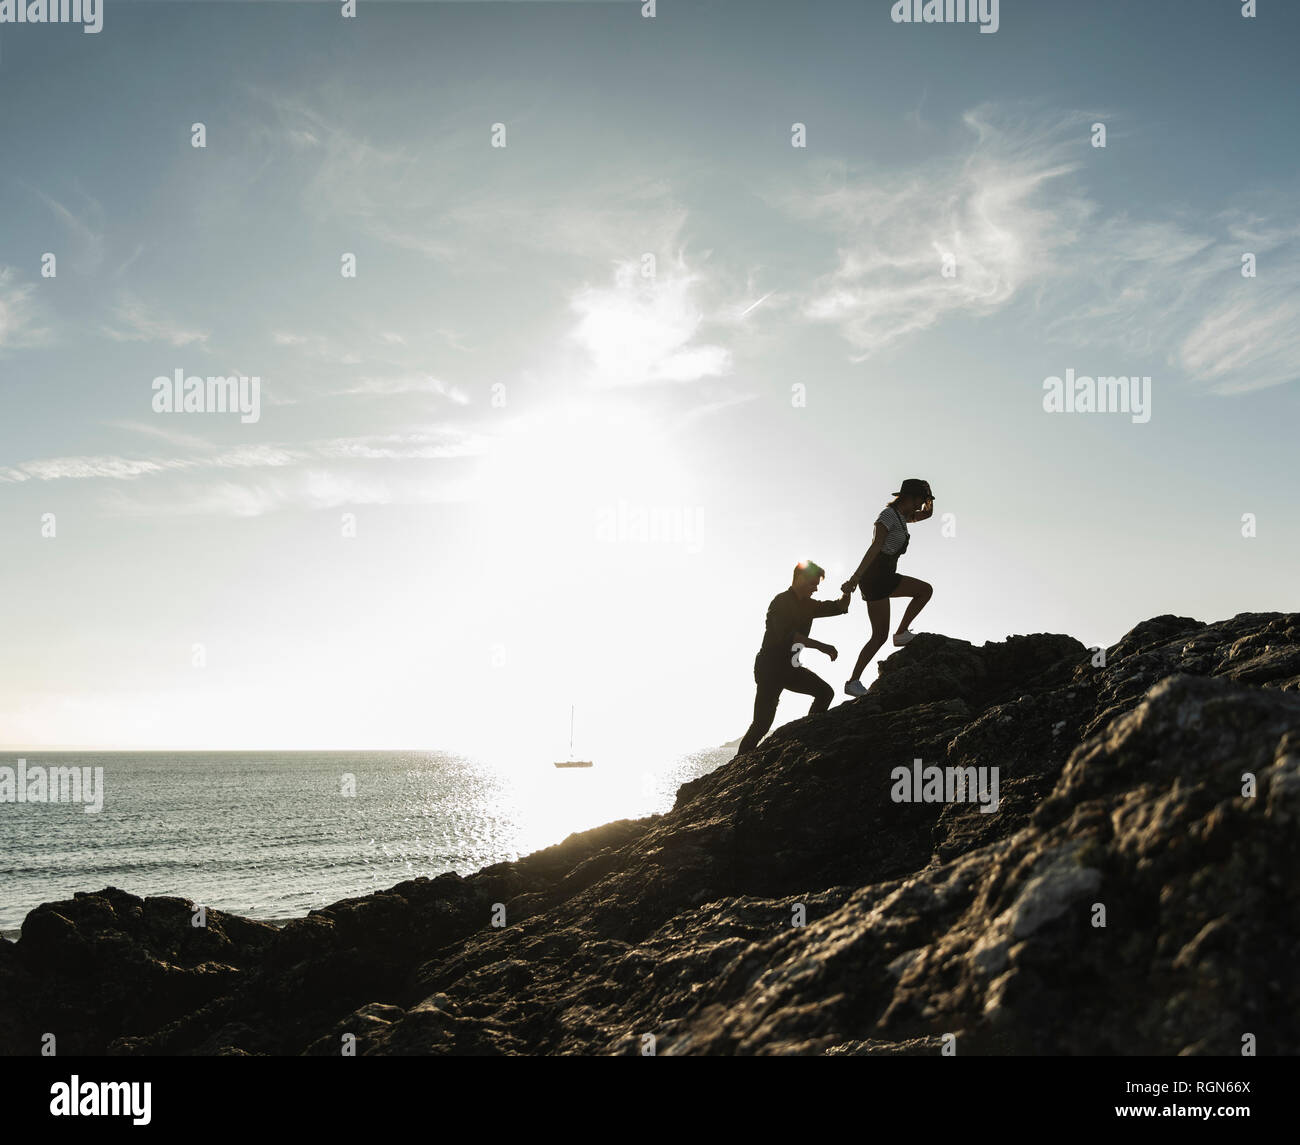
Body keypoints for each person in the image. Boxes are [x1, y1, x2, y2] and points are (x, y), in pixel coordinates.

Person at [737, 560, 850, 754]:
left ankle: (808, 737)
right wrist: (822, 646)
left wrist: (847, 591)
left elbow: (838, 607)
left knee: (825, 693)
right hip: (770, 669)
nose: (815, 589)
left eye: (817, 585)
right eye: (812, 584)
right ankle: (738, 764)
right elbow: (789, 637)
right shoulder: (780, 602)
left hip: (790, 668)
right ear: (798, 579)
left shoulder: (809, 605)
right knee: (761, 725)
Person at [841, 478, 935, 697]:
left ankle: (901, 633)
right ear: (909, 497)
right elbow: (875, 547)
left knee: (924, 591)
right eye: (921, 499)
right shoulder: (887, 516)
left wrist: (930, 496)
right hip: (875, 577)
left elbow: (928, 514)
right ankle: (852, 682)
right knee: (878, 636)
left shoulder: (904, 518)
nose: (922, 504)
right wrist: (855, 578)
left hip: (887, 575)